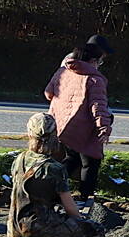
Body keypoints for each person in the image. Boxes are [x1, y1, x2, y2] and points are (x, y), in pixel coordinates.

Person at [46, 37, 114, 197]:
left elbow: (48, 93)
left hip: (64, 123)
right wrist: (104, 126)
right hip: (85, 127)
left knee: (72, 158)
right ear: (92, 60)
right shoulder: (95, 79)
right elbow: (98, 106)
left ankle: (52, 191)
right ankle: (85, 198)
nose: (100, 65)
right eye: (100, 61)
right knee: (91, 162)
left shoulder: (63, 70)